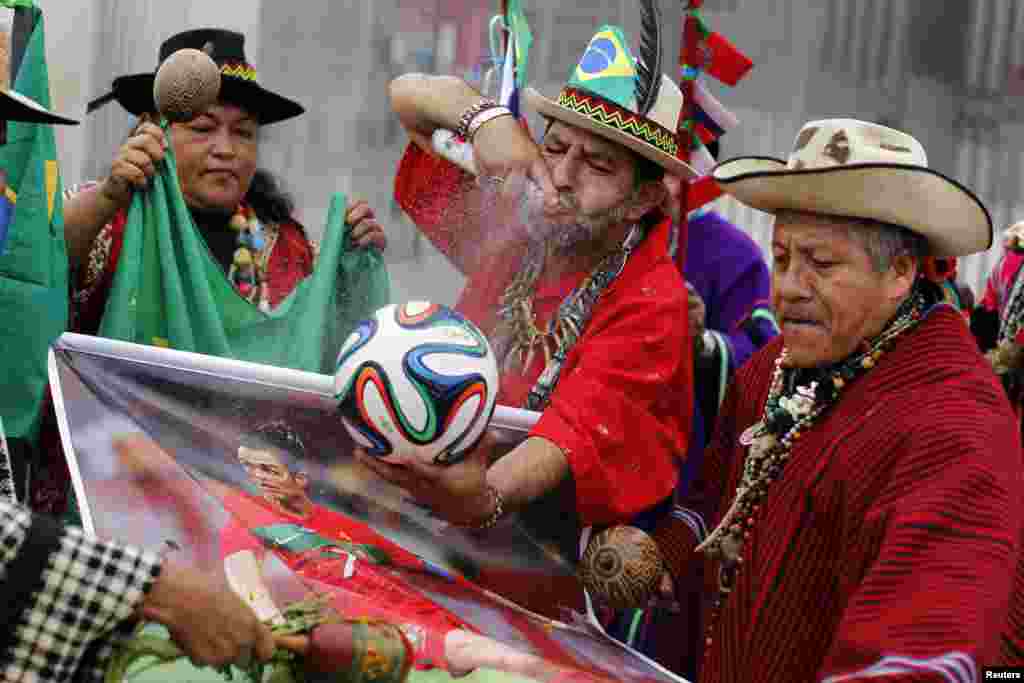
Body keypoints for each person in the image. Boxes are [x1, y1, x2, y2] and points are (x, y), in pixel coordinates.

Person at [650, 118, 1024, 680]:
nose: (789, 287)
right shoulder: (771, 368)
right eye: (781, 259)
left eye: (821, 264)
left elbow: (924, 654)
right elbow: (712, 505)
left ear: (900, 273)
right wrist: (662, 556)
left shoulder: (956, 425)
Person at [26, 28, 387, 518]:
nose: (226, 149)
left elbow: (326, 354)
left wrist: (351, 269)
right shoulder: (108, 211)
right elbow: (35, 270)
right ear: (153, 131)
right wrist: (110, 194)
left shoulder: (289, 248)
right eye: (202, 128)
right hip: (115, 490)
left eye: (243, 132)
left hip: (241, 506)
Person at [365, 23, 692, 559]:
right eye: (555, 146)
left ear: (643, 199)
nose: (560, 175)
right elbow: (407, 96)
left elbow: (570, 434)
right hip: (430, 524)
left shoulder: (653, 299)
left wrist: (483, 498)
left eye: (597, 164)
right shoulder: (513, 223)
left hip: (540, 564)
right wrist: (487, 121)